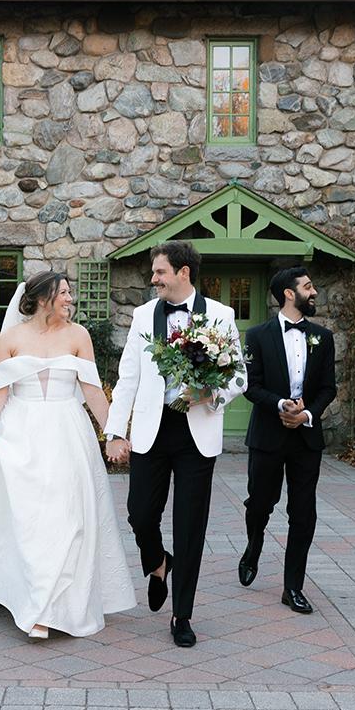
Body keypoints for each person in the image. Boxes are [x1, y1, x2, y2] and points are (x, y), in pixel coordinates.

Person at [0, 272, 135, 639]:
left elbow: (92, 391)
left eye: (70, 293)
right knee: (31, 522)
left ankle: (51, 608)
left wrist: (113, 434)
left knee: (67, 520)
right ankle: (34, 605)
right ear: (42, 298)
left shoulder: (78, 336)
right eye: (63, 293)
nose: (70, 299)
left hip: (67, 434)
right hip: (21, 434)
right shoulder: (10, 339)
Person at [105, 240, 246, 648]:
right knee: (139, 514)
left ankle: (182, 614)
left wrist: (210, 394)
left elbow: (239, 376)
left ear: (183, 272)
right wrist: (115, 432)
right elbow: (128, 376)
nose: (154, 279)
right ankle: (158, 562)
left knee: (189, 527)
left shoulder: (221, 315)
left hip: (196, 436)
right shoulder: (144, 315)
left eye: (160, 272)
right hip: (152, 431)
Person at [238, 267, 336, 614]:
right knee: (259, 504)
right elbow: (250, 385)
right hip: (268, 435)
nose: (314, 291)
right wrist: (281, 404)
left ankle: (293, 586)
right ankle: (254, 545)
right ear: (289, 294)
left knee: (304, 513)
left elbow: (328, 388)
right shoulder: (257, 335)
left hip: (306, 438)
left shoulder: (323, 337)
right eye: (308, 287)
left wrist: (306, 414)